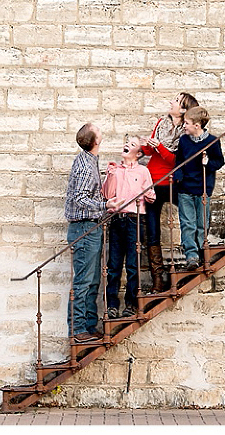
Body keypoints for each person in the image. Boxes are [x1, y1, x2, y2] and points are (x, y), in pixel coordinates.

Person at [137, 92, 198, 291]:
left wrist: (161, 147)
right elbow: (148, 152)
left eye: (176, 100)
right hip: (153, 182)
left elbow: (177, 161)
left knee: (190, 216)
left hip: (172, 182)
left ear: (183, 110)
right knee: (152, 234)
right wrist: (145, 145)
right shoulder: (161, 123)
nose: (171, 101)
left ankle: (195, 254)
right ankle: (157, 278)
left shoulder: (187, 131)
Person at [102, 134, 156, 320]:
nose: (127, 145)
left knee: (133, 265)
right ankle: (112, 305)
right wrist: (110, 175)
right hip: (117, 219)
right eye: (126, 143)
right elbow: (108, 195)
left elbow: (152, 195)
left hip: (135, 219)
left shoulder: (143, 171)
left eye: (132, 144)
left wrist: (145, 195)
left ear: (139, 153)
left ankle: (131, 304)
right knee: (114, 265)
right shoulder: (115, 170)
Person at [64, 123, 106, 344]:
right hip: (83, 227)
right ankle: (77, 330)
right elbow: (80, 199)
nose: (101, 130)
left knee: (92, 281)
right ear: (96, 140)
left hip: (92, 227)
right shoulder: (84, 166)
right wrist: (106, 206)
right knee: (83, 282)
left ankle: (89, 325)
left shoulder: (90, 160)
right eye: (97, 129)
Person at [173, 106, 225, 271]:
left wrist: (207, 163)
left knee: (202, 223)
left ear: (197, 125)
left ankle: (202, 252)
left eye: (187, 123)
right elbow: (178, 161)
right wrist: (179, 176)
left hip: (203, 189)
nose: (184, 126)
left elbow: (219, 162)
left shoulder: (212, 142)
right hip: (185, 189)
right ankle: (191, 256)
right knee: (187, 223)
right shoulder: (184, 141)